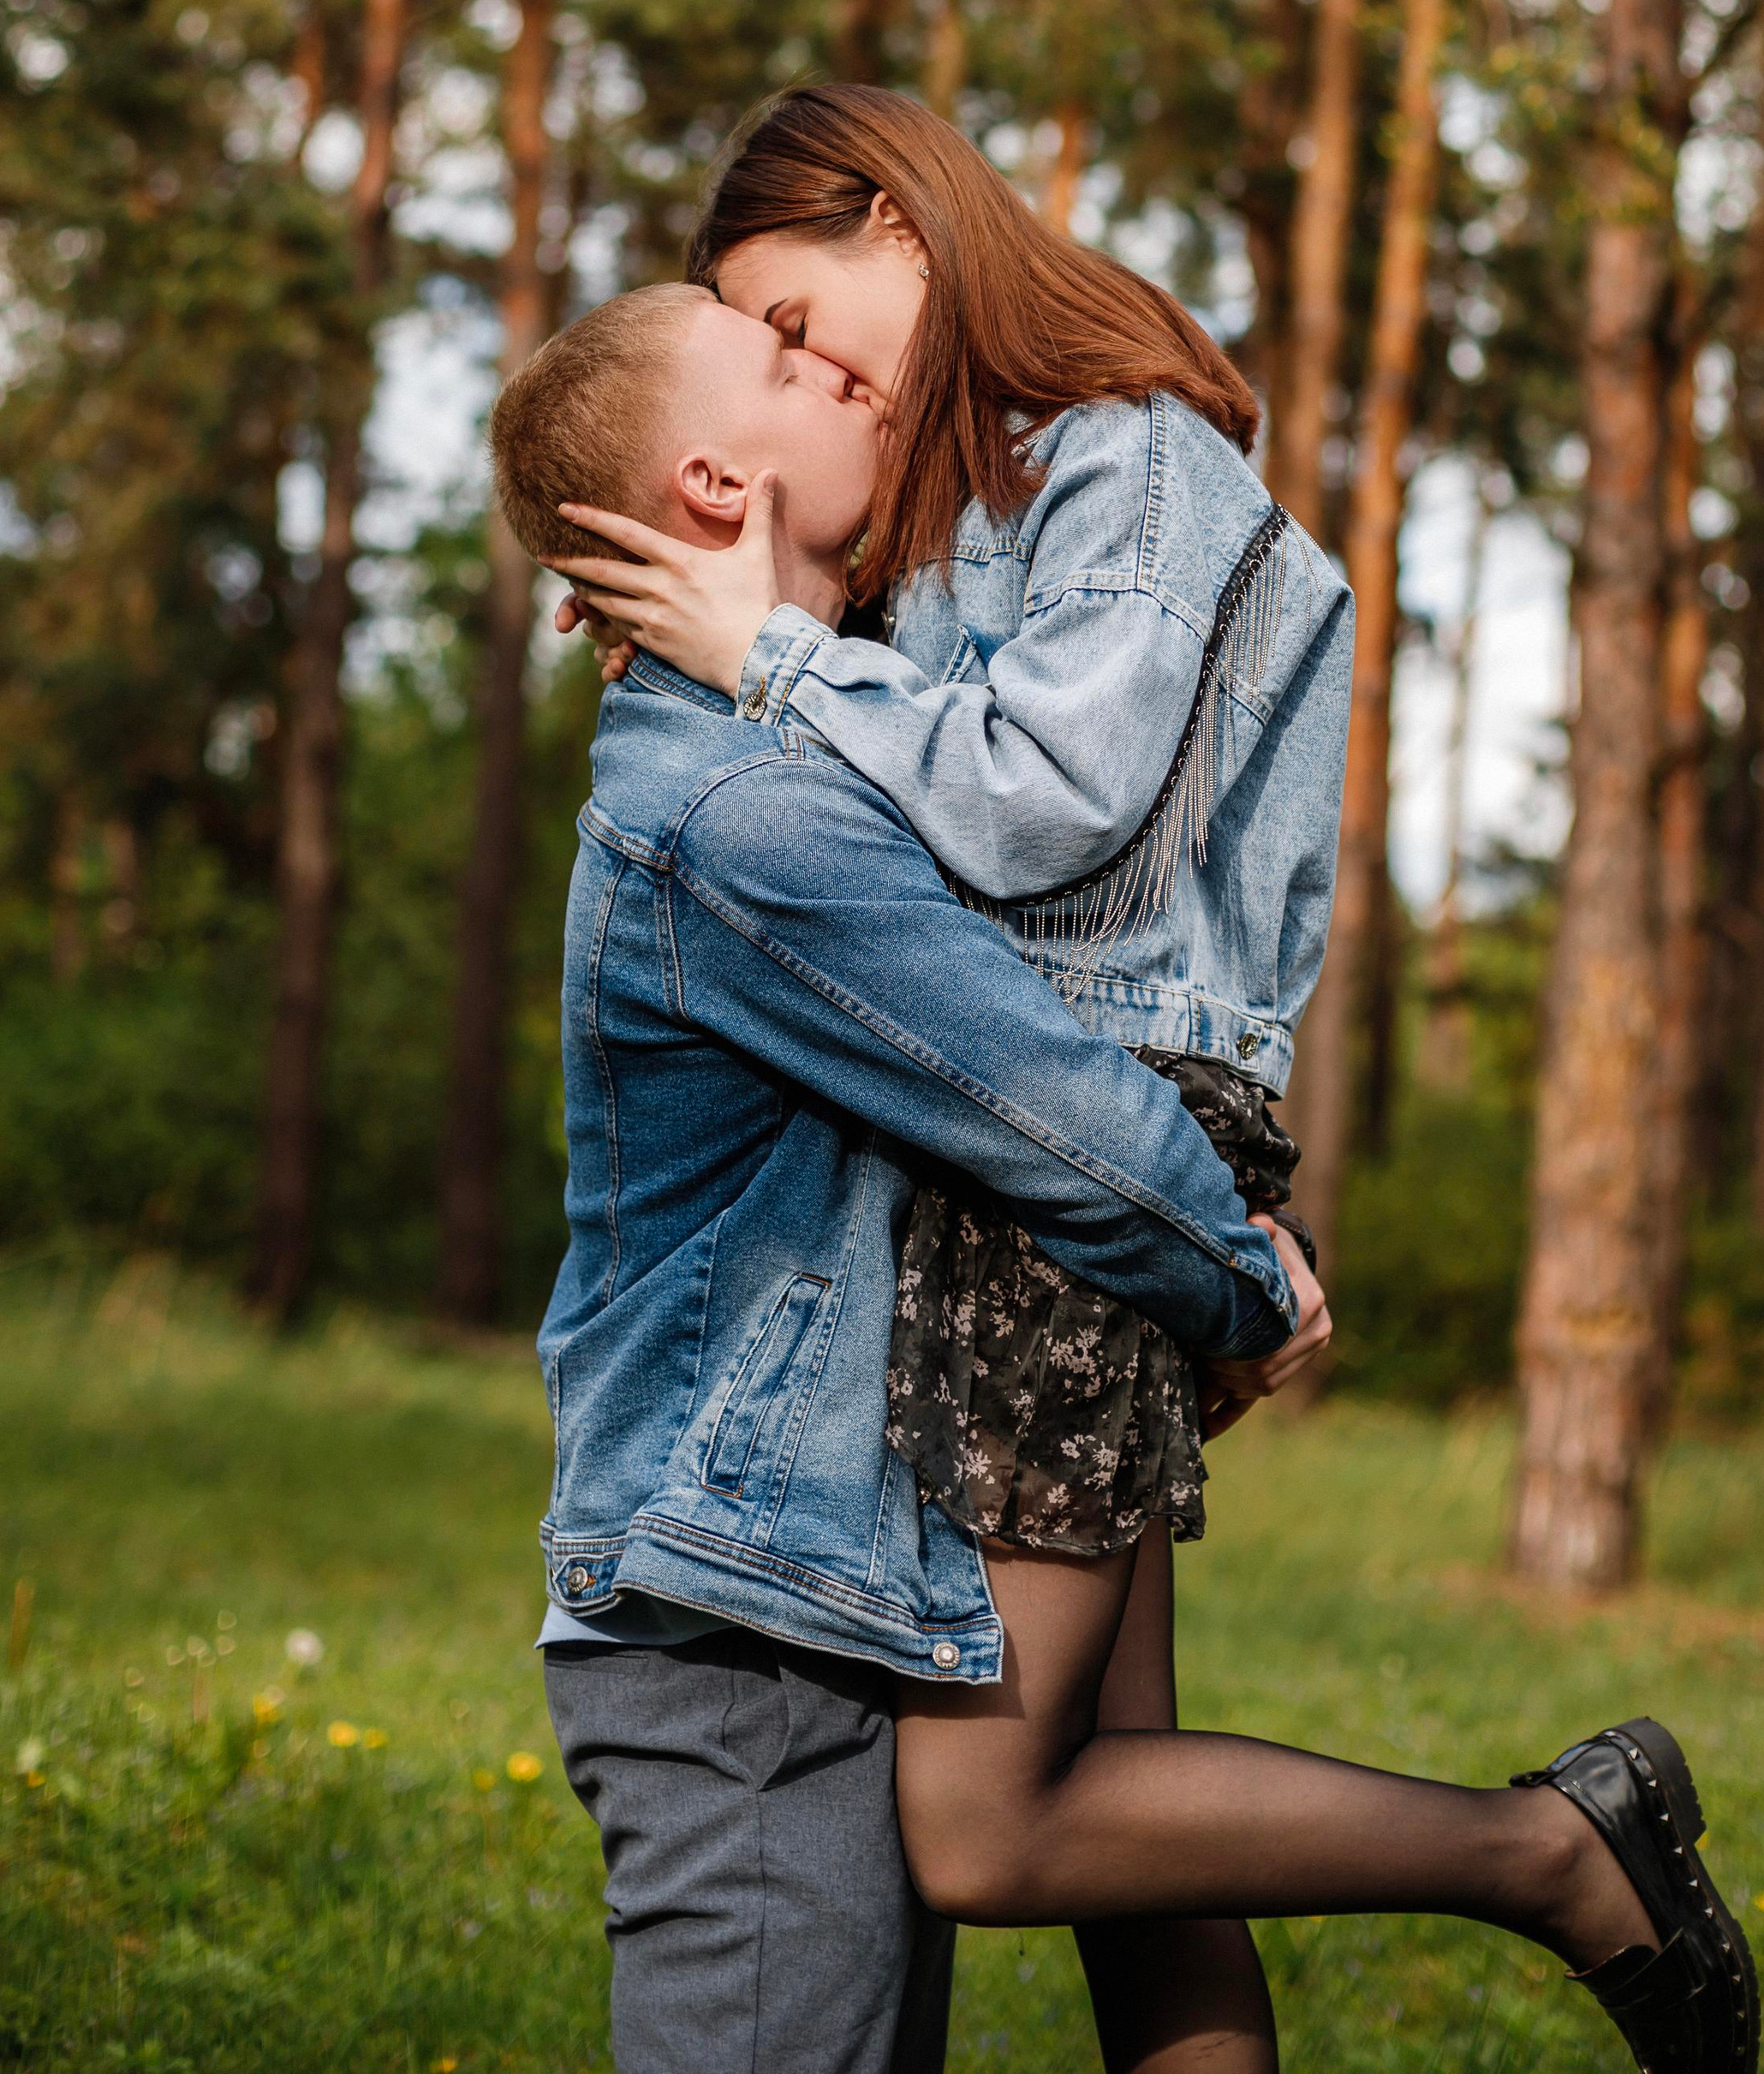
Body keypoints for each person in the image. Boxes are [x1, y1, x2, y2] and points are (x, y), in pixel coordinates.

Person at [545, 87, 1761, 2074]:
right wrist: (687, 608)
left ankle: (1552, 1852)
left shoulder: (1129, 459)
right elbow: (860, 787)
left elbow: (1047, 796)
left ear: (902, 233)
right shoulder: (956, 521)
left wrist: (767, 656)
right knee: (1131, 1802)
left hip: (1084, 1121)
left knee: (992, 1822)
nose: (790, 365)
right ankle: (1544, 1854)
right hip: (1030, 1121)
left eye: (785, 315)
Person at [492, 280, 1325, 2074]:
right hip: (733, 1634)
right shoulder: (743, 816)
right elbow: (1046, 1110)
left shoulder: (803, 748)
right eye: (788, 363)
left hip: (821, 1594)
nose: (847, 372)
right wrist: (1253, 1282)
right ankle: (1547, 1852)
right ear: (716, 483)